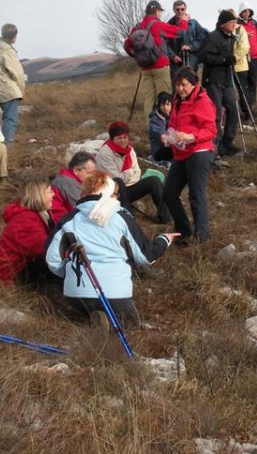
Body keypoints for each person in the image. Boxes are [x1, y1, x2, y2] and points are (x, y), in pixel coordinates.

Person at [45, 172, 177, 328]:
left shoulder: (69, 219)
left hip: (75, 294)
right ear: (109, 193)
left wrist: (69, 272)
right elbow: (145, 256)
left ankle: (91, 320)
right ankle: (108, 324)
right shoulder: (121, 217)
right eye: (115, 193)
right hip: (115, 294)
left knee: (83, 316)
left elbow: (52, 258)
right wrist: (164, 240)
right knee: (130, 326)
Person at [161, 67, 217, 243]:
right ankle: (184, 231)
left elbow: (211, 130)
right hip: (181, 153)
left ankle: (202, 237)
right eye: (177, 85)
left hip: (200, 151)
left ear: (194, 84)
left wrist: (192, 136)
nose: (180, 88)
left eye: (184, 85)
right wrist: (168, 136)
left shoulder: (203, 101)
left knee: (196, 194)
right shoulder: (177, 100)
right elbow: (173, 123)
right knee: (169, 193)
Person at [94, 120, 170, 224]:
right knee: (118, 181)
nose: (123, 141)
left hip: (129, 186)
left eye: (125, 137)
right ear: (112, 139)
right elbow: (115, 179)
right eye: (119, 138)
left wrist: (128, 177)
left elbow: (137, 172)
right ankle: (128, 218)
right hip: (113, 193)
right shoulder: (105, 153)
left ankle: (165, 217)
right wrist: (129, 174)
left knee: (154, 181)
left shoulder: (129, 149)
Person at [125, 0, 188, 117]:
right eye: (160, 12)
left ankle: (151, 127)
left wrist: (137, 56)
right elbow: (180, 32)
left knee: (149, 98)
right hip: (160, 65)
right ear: (157, 11)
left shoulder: (136, 28)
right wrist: (184, 21)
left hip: (145, 68)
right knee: (164, 97)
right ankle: (163, 127)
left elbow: (127, 46)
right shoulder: (157, 24)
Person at [0, 178, 57, 286]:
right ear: (38, 196)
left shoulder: (40, 213)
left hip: (25, 263)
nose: (54, 194)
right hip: (14, 273)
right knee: (59, 265)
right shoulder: (25, 219)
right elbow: (43, 249)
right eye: (49, 191)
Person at [198, 9, 241, 158]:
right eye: (232, 22)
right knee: (215, 114)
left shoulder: (230, 37)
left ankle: (227, 143)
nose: (234, 25)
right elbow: (203, 56)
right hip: (213, 80)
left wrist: (231, 60)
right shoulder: (213, 37)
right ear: (223, 24)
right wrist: (223, 60)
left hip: (227, 80)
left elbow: (227, 56)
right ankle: (214, 146)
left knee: (233, 110)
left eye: (235, 22)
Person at [0, 23, 26, 144]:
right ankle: (7, 144)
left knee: (6, 117)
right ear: (13, 36)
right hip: (9, 89)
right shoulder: (7, 51)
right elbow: (17, 73)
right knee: (10, 119)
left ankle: (3, 142)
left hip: (0, 89)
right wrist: (21, 88)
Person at [50, 151, 97, 222]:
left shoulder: (71, 179)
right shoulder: (67, 182)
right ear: (76, 170)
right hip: (63, 223)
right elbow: (84, 206)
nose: (92, 176)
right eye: (89, 172)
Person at [167, 0, 209, 72]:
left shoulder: (193, 23)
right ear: (174, 10)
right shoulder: (169, 25)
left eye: (182, 9)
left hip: (191, 60)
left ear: (185, 9)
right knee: (176, 82)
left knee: (191, 81)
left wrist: (190, 46)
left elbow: (203, 38)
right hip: (176, 62)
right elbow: (165, 44)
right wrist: (172, 56)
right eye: (178, 9)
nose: (180, 11)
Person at [237, 3, 257, 108]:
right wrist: (244, 35)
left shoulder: (254, 23)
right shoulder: (238, 24)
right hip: (243, 57)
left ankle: (252, 103)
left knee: (253, 80)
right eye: (244, 11)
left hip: (254, 56)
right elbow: (236, 38)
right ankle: (245, 104)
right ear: (241, 12)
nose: (246, 13)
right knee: (244, 82)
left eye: (248, 11)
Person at [147, 92, 173, 167]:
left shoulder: (172, 116)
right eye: (163, 105)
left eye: (168, 104)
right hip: (158, 151)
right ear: (159, 106)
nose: (165, 107)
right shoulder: (155, 119)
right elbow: (162, 135)